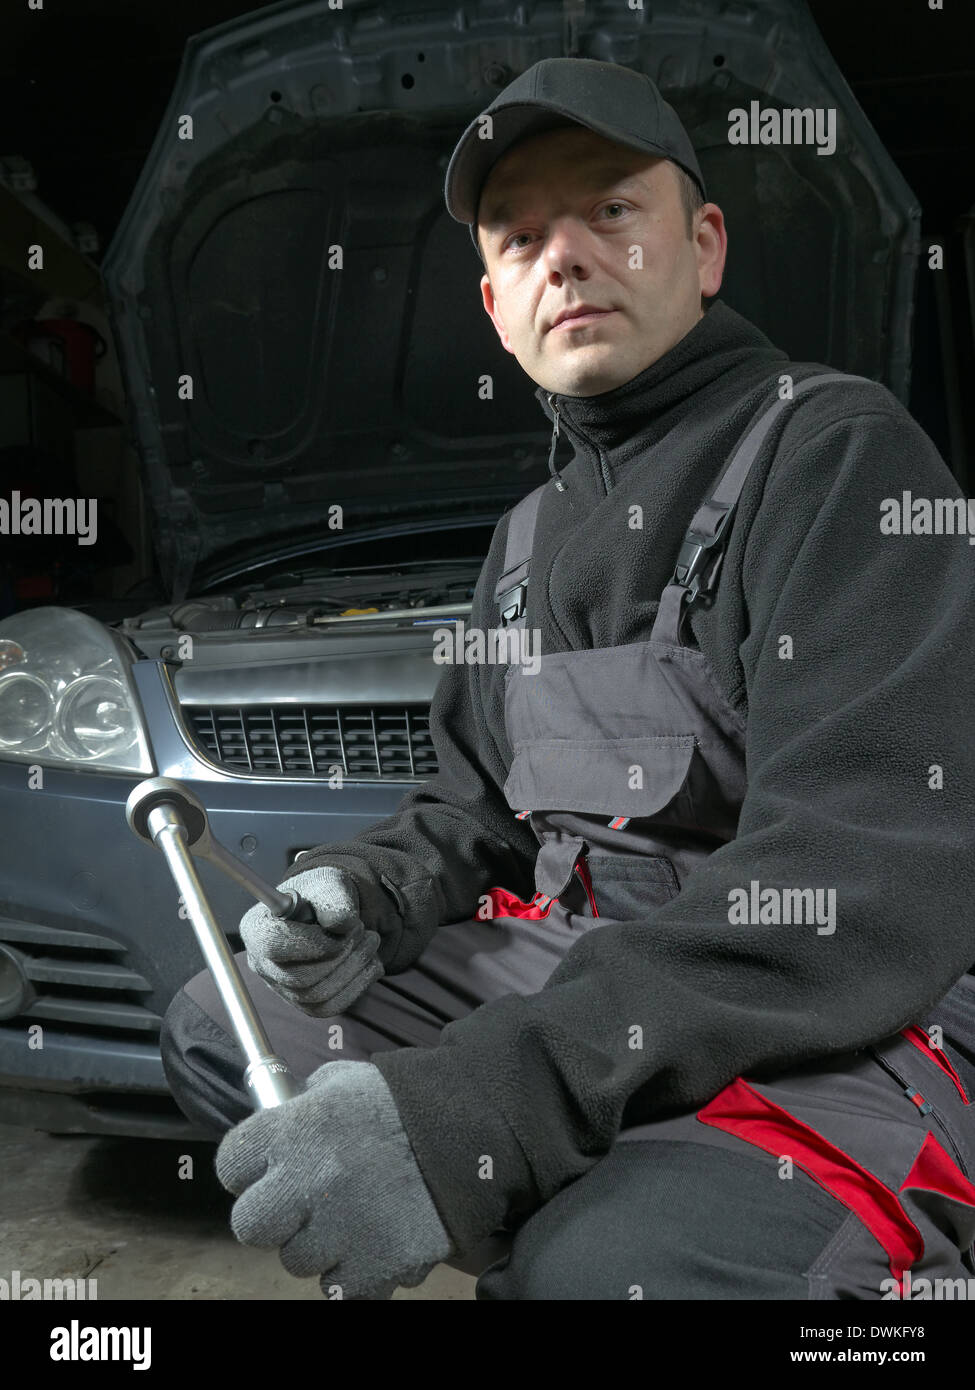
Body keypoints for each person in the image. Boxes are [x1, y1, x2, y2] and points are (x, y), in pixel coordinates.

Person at [159, 57, 975, 1301]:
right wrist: (363, 890)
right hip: (593, 975)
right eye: (524, 235)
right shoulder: (526, 539)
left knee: (606, 1269)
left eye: (609, 212)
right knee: (220, 1019)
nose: (567, 256)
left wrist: (484, 1107)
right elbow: (477, 813)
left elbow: (851, 876)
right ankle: (595, 1185)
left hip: (837, 1004)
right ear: (496, 305)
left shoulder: (837, 455)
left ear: (703, 247)